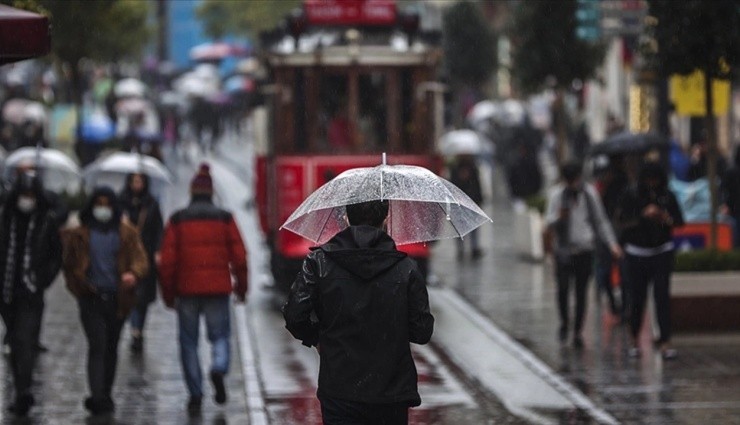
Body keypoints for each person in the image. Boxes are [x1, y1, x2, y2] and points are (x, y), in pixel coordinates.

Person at [283, 199, 435, 425]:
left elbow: (295, 315)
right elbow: (422, 331)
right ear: (385, 220)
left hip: (339, 390)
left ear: (346, 219)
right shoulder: (406, 268)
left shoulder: (319, 262)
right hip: (390, 392)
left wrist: (318, 338)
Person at [158, 163, 248, 415]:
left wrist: (168, 294)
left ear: (191, 192)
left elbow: (167, 263)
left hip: (186, 291)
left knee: (188, 342)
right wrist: (241, 288)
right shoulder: (225, 218)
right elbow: (240, 258)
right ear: (211, 193)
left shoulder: (177, 220)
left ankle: (195, 393)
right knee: (220, 336)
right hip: (218, 289)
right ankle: (219, 367)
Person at [61, 186, 148, 415]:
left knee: (110, 346)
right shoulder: (81, 234)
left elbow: (140, 259)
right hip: (91, 298)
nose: (103, 209)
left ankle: (106, 392)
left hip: (117, 299)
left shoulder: (126, 232)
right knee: (97, 345)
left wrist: (133, 274)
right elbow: (69, 266)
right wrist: (78, 286)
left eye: (106, 204)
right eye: (98, 204)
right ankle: (97, 396)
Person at [0, 171, 62, 416]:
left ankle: (24, 390)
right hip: (6, 292)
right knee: (15, 341)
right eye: (23, 194)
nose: (27, 199)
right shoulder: (5, 219)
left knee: (26, 341)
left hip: (31, 292)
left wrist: (42, 279)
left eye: (31, 195)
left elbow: (55, 256)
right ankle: (19, 386)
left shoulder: (46, 221)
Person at [544, 162, 622, 348]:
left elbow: (600, 220)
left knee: (581, 292)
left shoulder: (589, 194)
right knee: (563, 290)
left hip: (584, 250)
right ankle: (564, 324)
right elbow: (548, 222)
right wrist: (558, 217)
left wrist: (612, 244)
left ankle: (578, 331)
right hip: (563, 250)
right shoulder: (556, 195)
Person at [616, 162, 684, 359]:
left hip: (662, 251)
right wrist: (642, 216)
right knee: (637, 298)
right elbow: (621, 221)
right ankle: (634, 339)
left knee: (662, 297)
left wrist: (664, 217)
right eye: (649, 180)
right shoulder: (631, 194)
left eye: (655, 180)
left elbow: (679, 221)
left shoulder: (667, 195)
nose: (652, 184)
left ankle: (665, 340)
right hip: (637, 253)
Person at [119, 173, 164, 354]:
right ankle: (134, 329)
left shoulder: (151, 203)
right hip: (125, 256)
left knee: (141, 297)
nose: (137, 184)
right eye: (134, 181)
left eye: (140, 181)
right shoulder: (121, 202)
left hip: (145, 256)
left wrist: (157, 251)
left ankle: (137, 330)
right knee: (128, 294)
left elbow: (158, 229)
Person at [449, 154, 484, 259]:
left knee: (473, 227)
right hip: (459, 202)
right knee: (460, 227)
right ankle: (461, 249)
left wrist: (479, 199)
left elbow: (477, 185)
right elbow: (453, 186)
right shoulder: (455, 169)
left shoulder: (473, 168)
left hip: (472, 201)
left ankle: (474, 248)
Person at [720, 148, 740, 248]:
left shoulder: (730, 171)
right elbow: (723, 189)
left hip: (734, 208)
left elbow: (723, 189)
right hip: (734, 209)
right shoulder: (731, 172)